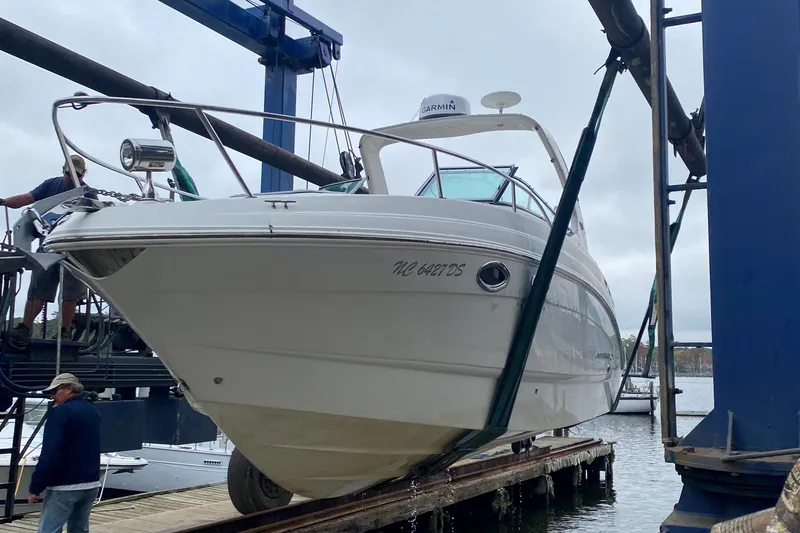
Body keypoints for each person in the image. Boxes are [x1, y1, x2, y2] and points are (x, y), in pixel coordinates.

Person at [0, 155, 98, 346]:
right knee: (38, 288)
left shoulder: (89, 193)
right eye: (68, 173)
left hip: (74, 249)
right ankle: (25, 328)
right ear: (63, 171)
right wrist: (5, 201)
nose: (71, 177)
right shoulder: (51, 185)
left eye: (76, 174)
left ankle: (65, 331)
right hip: (49, 245)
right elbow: (27, 198)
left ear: (83, 174)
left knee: (71, 292)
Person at [27, 373, 101, 533]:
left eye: (54, 391)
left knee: (49, 530)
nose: (51, 396)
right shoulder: (92, 410)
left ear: (69, 389)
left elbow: (50, 453)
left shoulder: (60, 413)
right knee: (79, 529)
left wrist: (36, 488)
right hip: (91, 482)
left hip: (65, 485)